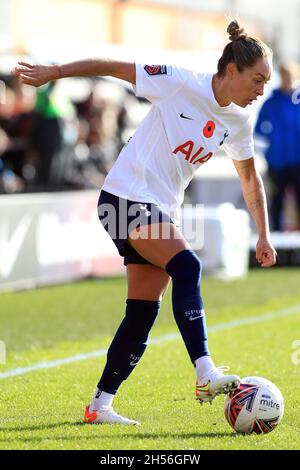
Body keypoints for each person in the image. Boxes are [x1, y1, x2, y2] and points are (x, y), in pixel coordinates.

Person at [13, 19, 277, 426]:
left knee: (142, 313)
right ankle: (205, 371)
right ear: (231, 71)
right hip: (123, 197)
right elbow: (116, 66)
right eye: (257, 80)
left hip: (157, 209)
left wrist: (262, 232)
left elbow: (249, 177)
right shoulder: (179, 82)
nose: (261, 90)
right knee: (187, 264)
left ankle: (99, 406)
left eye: (266, 82)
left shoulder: (238, 121)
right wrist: (57, 72)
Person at [255, 64, 300, 231]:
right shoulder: (271, 103)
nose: (288, 81)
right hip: (277, 163)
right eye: (285, 77)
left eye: (291, 77)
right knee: (277, 200)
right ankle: (274, 234)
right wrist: (268, 153)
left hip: (297, 161)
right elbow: (258, 131)